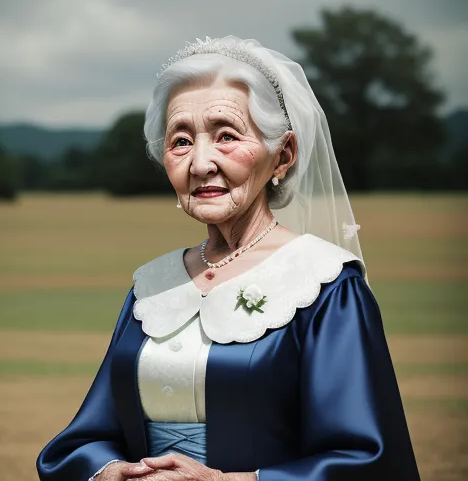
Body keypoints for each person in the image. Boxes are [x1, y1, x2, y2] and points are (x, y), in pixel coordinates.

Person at [36, 36, 420, 481]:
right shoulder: (153, 284)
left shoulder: (326, 285)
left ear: (284, 154)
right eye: (180, 141)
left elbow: (365, 458)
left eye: (226, 136)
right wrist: (107, 471)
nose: (200, 163)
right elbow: (90, 435)